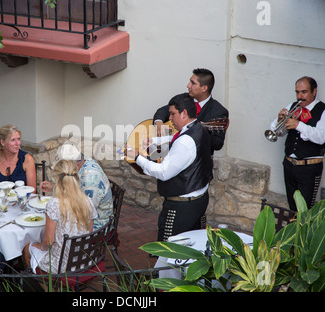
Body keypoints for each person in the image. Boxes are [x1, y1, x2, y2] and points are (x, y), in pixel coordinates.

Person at [127, 93, 213, 241]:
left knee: (170, 252)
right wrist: (155, 140)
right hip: (198, 199)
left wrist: (137, 157)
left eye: (173, 114)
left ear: (184, 113)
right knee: (191, 248)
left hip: (182, 207)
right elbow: (177, 138)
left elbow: (164, 172)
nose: (170, 118)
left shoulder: (185, 142)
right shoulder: (197, 128)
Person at [22, 159, 97, 274]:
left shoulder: (54, 204)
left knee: (27, 248)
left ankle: (47, 286)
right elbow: (88, 233)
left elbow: (48, 243)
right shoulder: (88, 201)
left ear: (56, 180)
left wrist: (39, 246)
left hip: (62, 265)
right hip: (84, 259)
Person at [270, 76, 325, 211]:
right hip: (289, 165)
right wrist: (280, 120)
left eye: (304, 92)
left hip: (309, 168)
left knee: (304, 210)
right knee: (292, 207)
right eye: (297, 92)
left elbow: (321, 137)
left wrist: (298, 125)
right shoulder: (292, 107)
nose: (300, 96)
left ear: (314, 91)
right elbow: (276, 131)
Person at [153, 68, 229, 156]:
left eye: (193, 83)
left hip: (196, 160)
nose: (188, 86)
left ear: (204, 88)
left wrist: (201, 132)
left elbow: (218, 144)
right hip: (170, 153)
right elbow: (162, 111)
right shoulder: (183, 99)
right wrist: (158, 123)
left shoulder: (219, 111)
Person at [40, 143, 113, 230]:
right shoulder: (81, 162)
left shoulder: (90, 179)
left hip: (97, 227)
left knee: (51, 228)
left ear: (73, 164)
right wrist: (53, 186)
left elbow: (87, 212)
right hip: (84, 216)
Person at [0, 124, 36, 193]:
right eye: (12, 140)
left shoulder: (27, 159)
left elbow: (32, 191)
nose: (17, 143)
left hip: (20, 201)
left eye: (18, 139)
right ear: (3, 142)